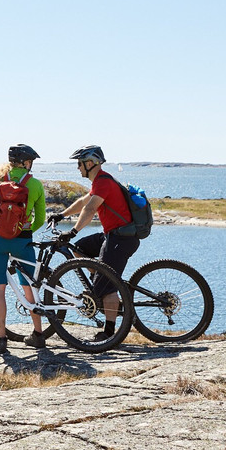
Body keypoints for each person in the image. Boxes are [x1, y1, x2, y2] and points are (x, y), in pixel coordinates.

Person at [49, 144, 140, 342]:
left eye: (80, 164)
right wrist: (61, 214)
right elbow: (83, 202)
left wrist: (72, 231)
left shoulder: (104, 182)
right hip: (111, 235)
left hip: (121, 239)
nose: (78, 168)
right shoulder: (100, 181)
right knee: (80, 248)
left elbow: (90, 209)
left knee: (106, 285)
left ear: (90, 163)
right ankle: (105, 283)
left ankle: (109, 332)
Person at [0, 144, 47, 353]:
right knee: (30, 286)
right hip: (23, 240)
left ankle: (1, 338)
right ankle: (38, 334)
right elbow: (41, 218)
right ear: (26, 162)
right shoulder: (36, 185)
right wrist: (23, 230)